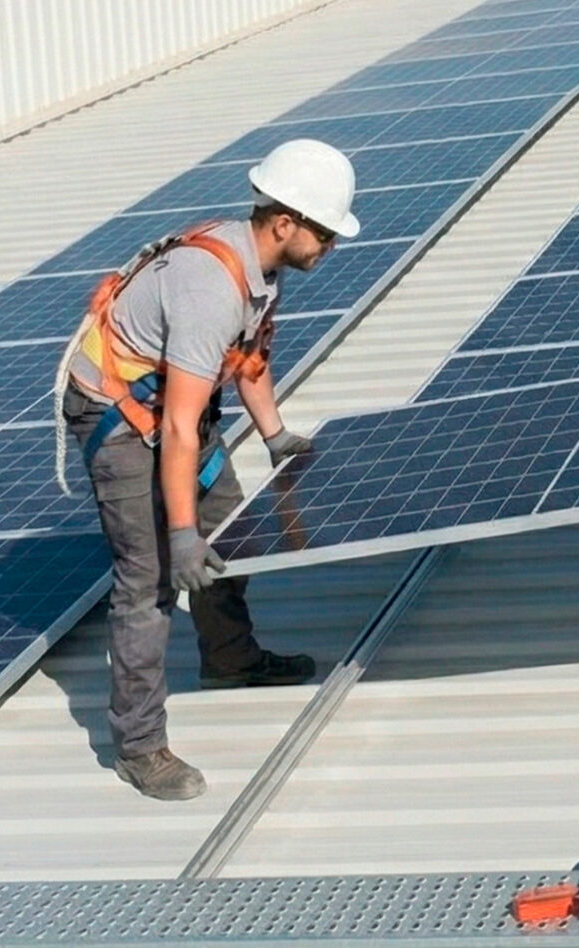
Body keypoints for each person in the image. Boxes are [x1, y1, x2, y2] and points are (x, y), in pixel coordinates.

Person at [59, 137, 360, 799]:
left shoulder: (260, 269)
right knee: (150, 578)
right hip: (119, 416)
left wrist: (275, 435)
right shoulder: (210, 290)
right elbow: (175, 428)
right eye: (324, 233)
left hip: (170, 402)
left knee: (229, 527)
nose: (331, 246)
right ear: (284, 224)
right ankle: (140, 747)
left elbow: (247, 358)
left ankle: (229, 657)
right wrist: (180, 534)